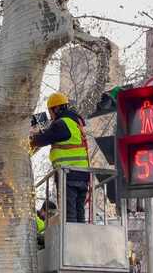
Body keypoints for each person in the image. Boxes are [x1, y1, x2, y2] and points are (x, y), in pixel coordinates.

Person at [30, 92, 90, 223]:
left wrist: (31, 137)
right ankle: (80, 240)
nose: (50, 116)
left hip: (69, 175)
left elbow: (42, 140)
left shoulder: (61, 123)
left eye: (50, 111)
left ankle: (71, 242)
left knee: (69, 216)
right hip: (83, 175)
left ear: (55, 109)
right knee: (79, 213)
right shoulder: (75, 122)